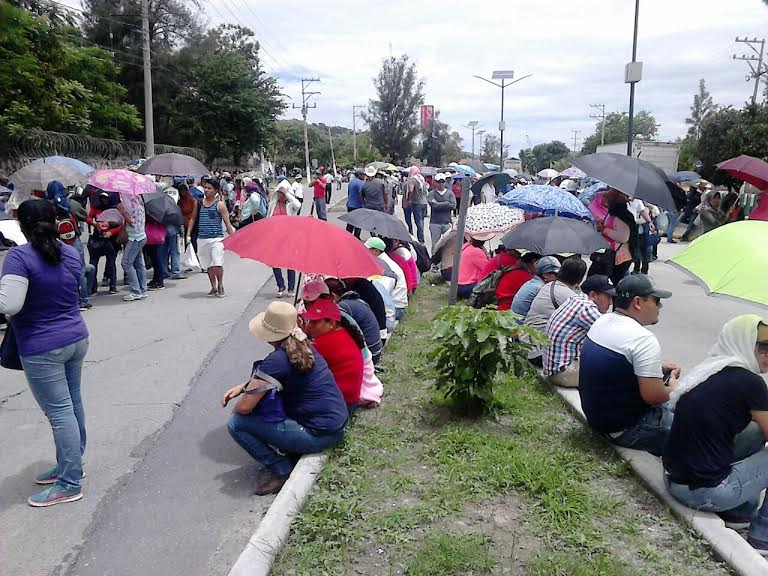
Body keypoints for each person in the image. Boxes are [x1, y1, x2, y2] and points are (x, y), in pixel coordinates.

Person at [0, 199, 89, 507]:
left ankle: (69, 482)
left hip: (42, 346)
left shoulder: (19, 257)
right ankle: (71, 464)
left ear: (21, 225)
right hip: (75, 337)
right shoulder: (70, 252)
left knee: (60, 411)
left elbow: (9, 304)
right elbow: (76, 285)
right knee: (72, 404)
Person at [663, 316, 768, 553]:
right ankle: (763, 537)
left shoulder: (710, 370)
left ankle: (738, 513)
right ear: (742, 341)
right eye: (764, 346)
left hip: (674, 479)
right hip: (703, 494)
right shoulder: (751, 384)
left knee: (754, 433)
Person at [223, 301, 347, 495]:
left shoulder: (276, 362)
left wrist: (246, 394)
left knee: (237, 424)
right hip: (336, 425)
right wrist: (244, 387)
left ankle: (281, 469)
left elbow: (244, 408)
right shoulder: (305, 345)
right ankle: (290, 449)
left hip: (318, 435)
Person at [579, 274, 680, 456]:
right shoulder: (642, 338)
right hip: (625, 428)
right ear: (638, 302)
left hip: (598, 418)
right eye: (656, 300)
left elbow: (616, 368)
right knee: (702, 432)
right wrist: (674, 388)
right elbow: (654, 397)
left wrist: (656, 369)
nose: (660, 306)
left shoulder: (602, 321)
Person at [543, 275, 615, 388]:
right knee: (619, 370)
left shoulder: (575, 299)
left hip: (554, 369)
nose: (610, 302)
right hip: (563, 373)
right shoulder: (586, 308)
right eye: (608, 297)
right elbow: (615, 336)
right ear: (593, 295)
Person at [300, 298, 364, 415]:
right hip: (347, 400)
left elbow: (300, 361)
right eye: (309, 321)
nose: (309, 325)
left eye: (314, 322)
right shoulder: (342, 333)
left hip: (338, 405)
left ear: (331, 323)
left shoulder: (326, 342)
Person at [190, 179, 235, 297]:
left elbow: (227, 223)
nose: (206, 190)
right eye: (205, 187)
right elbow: (193, 219)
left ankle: (220, 285)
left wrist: (233, 238)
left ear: (215, 191)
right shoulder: (199, 203)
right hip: (202, 239)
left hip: (217, 239)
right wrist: (188, 234)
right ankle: (213, 287)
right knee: (208, 265)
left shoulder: (220, 205)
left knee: (217, 263)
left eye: (209, 188)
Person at [524, 257, 587, 337]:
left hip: (527, 333)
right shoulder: (570, 297)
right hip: (538, 339)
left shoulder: (548, 286)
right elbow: (588, 320)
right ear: (580, 279)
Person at [327, 277, 388, 348]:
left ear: (332, 295)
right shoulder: (354, 296)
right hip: (378, 336)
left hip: (373, 347)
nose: (343, 280)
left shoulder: (345, 305)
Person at [589, 188, 634, 286]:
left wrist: (604, 230)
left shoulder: (621, 216)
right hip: (611, 254)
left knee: (614, 283)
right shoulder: (612, 214)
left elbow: (623, 237)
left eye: (607, 199)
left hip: (618, 256)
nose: (605, 203)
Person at [269, 180, 301, 297]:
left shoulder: (290, 205)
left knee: (290, 263)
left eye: (283, 194)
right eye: (280, 193)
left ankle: (291, 288)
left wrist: (287, 193)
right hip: (275, 237)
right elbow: (268, 219)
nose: (281, 196)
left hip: (289, 237)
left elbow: (298, 205)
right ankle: (280, 285)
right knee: (274, 263)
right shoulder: (273, 204)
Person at [86, 192, 122, 295]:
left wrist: (111, 232)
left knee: (111, 263)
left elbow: (121, 224)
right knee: (93, 263)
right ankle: (93, 288)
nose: (104, 200)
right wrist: (94, 223)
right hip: (97, 239)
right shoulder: (96, 208)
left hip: (112, 240)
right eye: (102, 198)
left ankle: (112, 286)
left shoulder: (116, 209)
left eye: (106, 198)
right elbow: (88, 218)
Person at [365, 237, 407, 320]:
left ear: (376, 251)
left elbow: (382, 294)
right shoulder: (381, 261)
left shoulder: (386, 268)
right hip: (392, 303)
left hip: (396, 307)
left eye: (367, 249)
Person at [117, 190, 148, 302]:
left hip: (135, 238)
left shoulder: (133, 205)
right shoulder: (138, 201)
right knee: (138, 264)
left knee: (126, 263)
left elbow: (134, 223)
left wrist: (123, 212)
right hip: (139, 236)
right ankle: (142, 289)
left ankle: (136, 291)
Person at [427, 173, 456, 253]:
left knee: (450, 244)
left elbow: (453, 206)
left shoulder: (450, 193)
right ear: (435, 183)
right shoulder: (431, 193)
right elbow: (433, 206)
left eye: (443, 182)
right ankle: (434, 259)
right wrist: (446, 203)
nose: (441, 184)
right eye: (439, 182)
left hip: (447, 223)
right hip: (435, 223)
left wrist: (437, 203)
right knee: (435, 245)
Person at [457, 235, 490, 299]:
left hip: (459, 285)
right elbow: (488, 269)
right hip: (469, 286)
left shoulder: (465, 247)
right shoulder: (476, 251)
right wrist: (488, 256)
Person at [403, 166, 427, 243]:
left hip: (417, 203)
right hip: (424, 202)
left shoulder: (412, 179)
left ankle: (419, 239)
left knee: (418, 222)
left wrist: (409, 199)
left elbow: (410, 190)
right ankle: (421, 237)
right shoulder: (422, 179)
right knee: (421, 221)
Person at [344, 169, 364, 237]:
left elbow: (349, 192)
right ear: (359, 175)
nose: (364, 176)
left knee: (350, 222)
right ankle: (356, 237)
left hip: (350, 205)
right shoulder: (360, 183)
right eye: (363, 175)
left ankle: (347, 236)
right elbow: (361, 193)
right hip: (357, 205)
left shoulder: (351, 182)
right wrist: (363, 203)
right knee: (358, 223)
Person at [178, 184, 198, 249]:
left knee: (193, 243)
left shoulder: (193, 201)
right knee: (187, 245)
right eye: (181, 191)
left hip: (192, 224)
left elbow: (193, 216)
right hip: (184, 225)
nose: (182, 193)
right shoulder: (180, 202)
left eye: (183, 191)